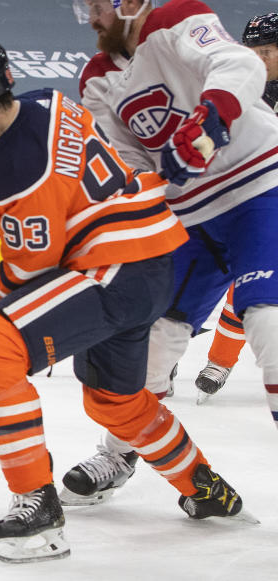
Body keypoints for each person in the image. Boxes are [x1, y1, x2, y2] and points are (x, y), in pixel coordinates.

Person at [0, 33, 246, 564]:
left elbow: (29, 271)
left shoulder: (10, 170)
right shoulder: (48, 100)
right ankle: (205, 486)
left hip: (116, 269)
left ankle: (37, 508)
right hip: (151, 260)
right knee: (113, 401)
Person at [63, 0, 278, 505]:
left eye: (96, 8)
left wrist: (206, 122)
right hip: (190, 220)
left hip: (259, 189)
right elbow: (126, 159)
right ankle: (119, 453)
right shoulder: (97, 78)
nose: (91, 20)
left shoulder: (177, 18)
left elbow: (239, 65)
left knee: (267, 322)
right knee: (152, 342)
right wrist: (143, 183)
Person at [195, 12, 278, 402]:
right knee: (185, 286)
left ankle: (220, 362)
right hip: (226, 198)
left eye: (267, 51)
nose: (259, 60)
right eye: (254, 51)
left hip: (266, 203)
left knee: (253, 287)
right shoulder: (237, 85)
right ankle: (175, 346)